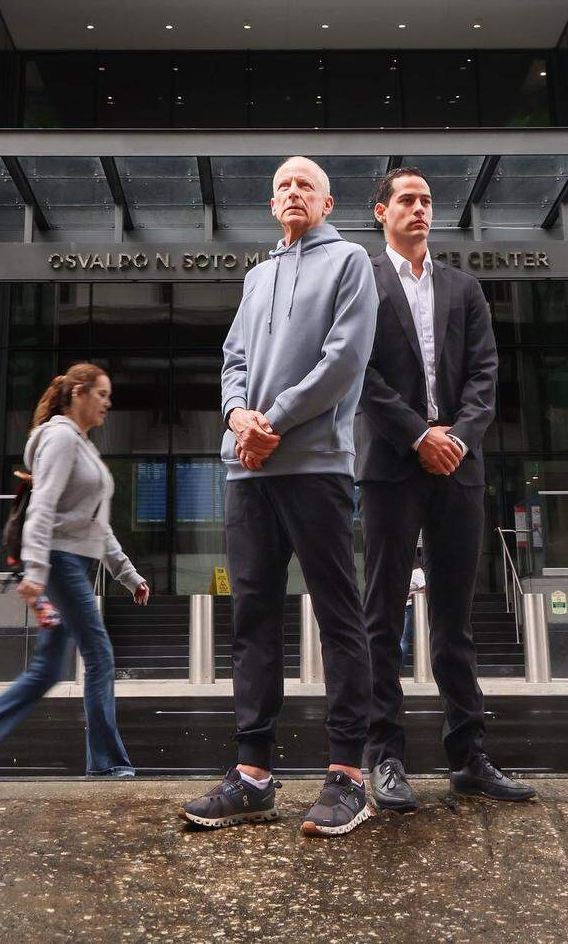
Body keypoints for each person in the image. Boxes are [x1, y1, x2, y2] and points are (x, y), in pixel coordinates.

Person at [181, 156, 378, 837]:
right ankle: (253, 777)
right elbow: (232, 360)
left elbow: (344, 359)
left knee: (339, 615)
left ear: (327, 202)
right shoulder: (257, 276)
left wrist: (275, 421)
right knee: (253, 621)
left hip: (316, 466)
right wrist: (239, 418)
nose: (293, 192)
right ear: (272, 205)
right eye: (283, 186)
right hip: (248, 471)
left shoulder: (351, 261)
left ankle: (348, 775)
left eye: (305, 185)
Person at [356, 168, 535, 813]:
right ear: (381, 212)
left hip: (458, 467)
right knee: (382, 615)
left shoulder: (464, 287)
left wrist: (455, 437)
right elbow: (359, 372)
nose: (420, 209)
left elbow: (486, 371)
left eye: (427, 201)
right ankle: (385, 758)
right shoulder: (362, 283)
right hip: (391, 465)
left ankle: (468, 758)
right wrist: (418, 436)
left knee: (455, 618)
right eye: (407, 200)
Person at [0, 362, 149, 779]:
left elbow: (96, 525)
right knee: (100, 655)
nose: (107, 403)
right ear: (78, 393)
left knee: (48, 670)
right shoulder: (60, 438)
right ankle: (107, 764)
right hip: (59, 561)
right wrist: (35, 570)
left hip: (72, 561)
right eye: (101, 394)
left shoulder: (82, 446)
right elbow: (42, 506)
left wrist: (128, 574)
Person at [401, 561, 426, 667]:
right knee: (403, 637)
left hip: (412, 608)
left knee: (403, 638)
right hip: (403, 608)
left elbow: (424, 588)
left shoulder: (416, 572)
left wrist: (410, 595)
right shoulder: (405, 572)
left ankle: (398, 666)